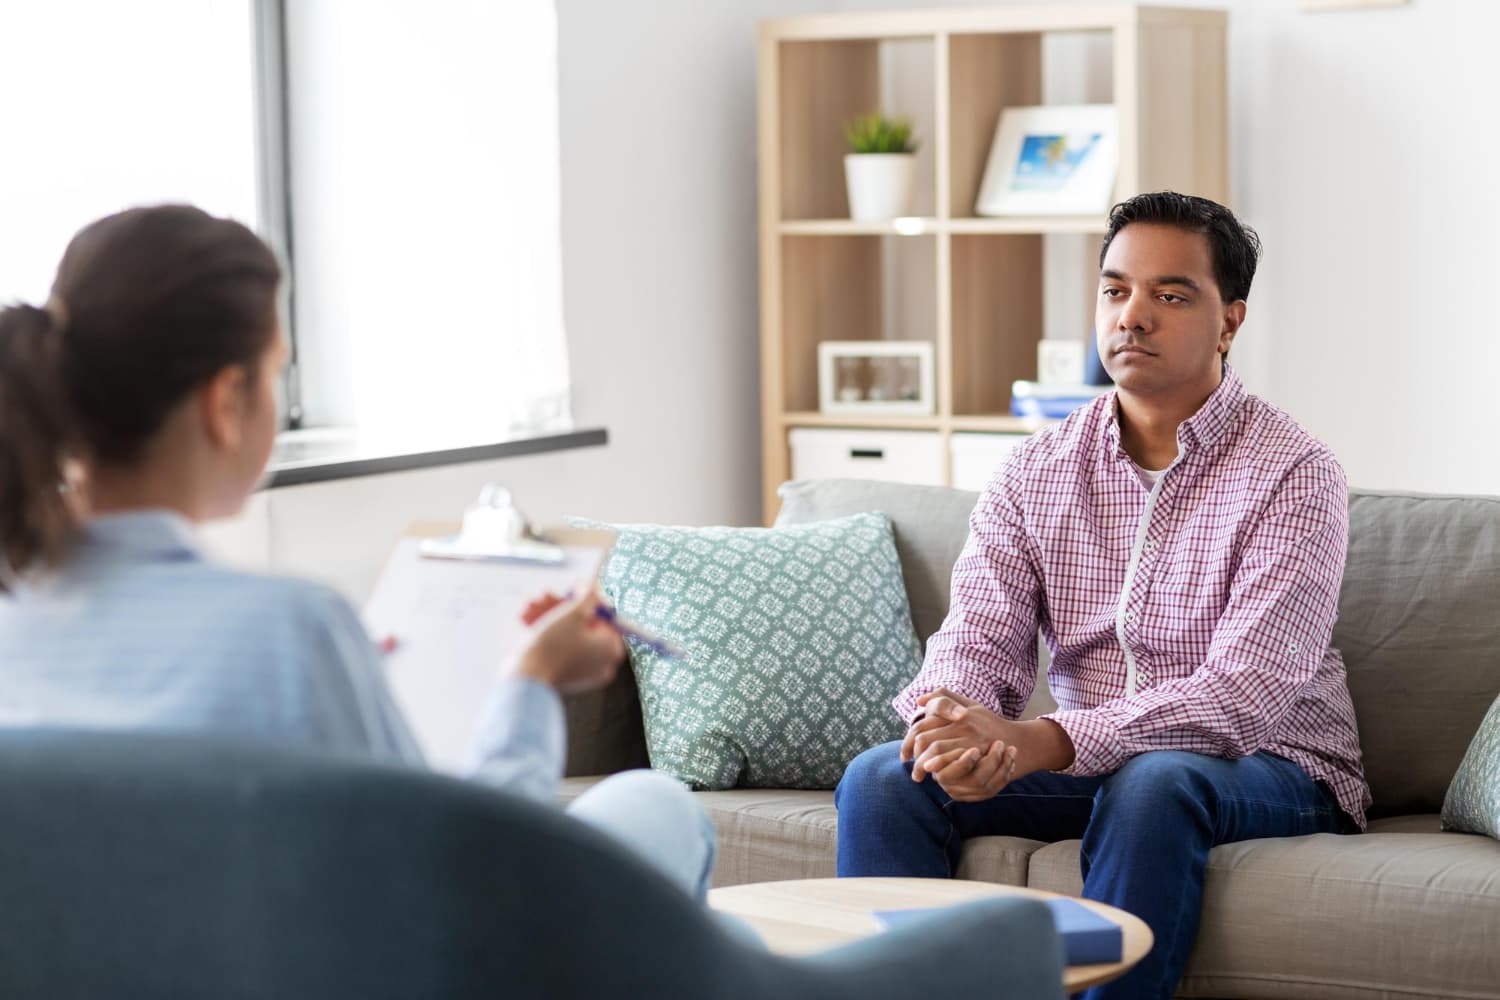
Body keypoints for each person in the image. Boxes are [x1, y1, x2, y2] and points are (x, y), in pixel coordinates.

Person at [0, 204, 715, 901]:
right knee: (659, 808)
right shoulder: (288, 632)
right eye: (278, 372)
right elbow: (471, 875)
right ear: (225, 403)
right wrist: (531, 681)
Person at [835, 191, 1369, 999]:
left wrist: (1042, 740)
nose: (1134, 317)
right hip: (1094, 761)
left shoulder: (1295, 473)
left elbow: (1241, 698)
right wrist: (951, 729)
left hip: (1273, 765)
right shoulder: (1035, 470)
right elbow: (977, 637)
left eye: (1171, 294)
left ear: (1231, 321)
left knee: (1155, 780)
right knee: (885, 779)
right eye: (1116, 291)